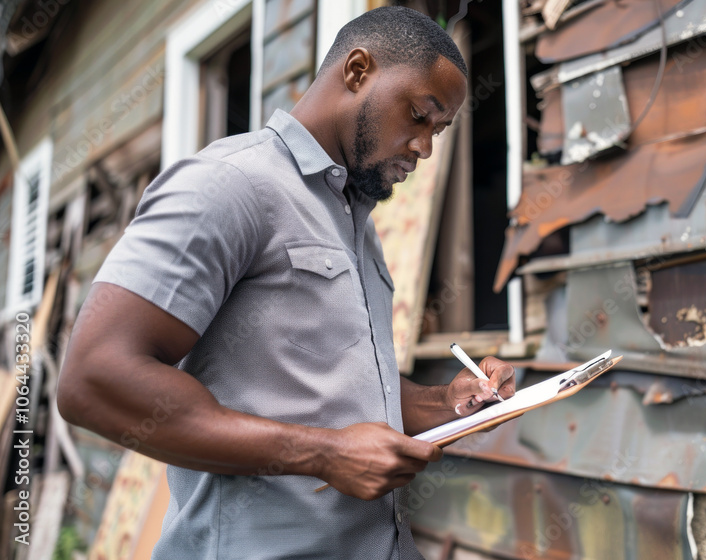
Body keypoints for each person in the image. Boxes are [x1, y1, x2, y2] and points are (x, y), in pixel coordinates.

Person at [56, 7, 514, 559]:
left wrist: (449, 402)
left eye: (439, 131)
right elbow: (95, 379)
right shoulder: (231, 185)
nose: (426, 148)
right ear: (358, 70)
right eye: (420, 115)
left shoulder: (354, 223)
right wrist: (323, 455)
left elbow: (332, 395)